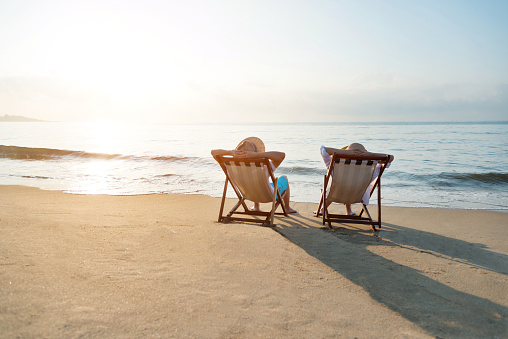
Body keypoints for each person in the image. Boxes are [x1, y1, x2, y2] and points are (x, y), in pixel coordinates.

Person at [211, 137, 297, 213]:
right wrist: (257, 155)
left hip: (248, 194)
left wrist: (230, 152)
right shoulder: (264, 167)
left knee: (252, 181)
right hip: (268, 195)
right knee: (284, 178)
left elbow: (213, 152)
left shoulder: (229, 166)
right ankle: (287, 208)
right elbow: (281, 155)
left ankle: (256, 207)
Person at [320, 143, 394, 216]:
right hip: (358, 196)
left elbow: (323, 150)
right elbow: (390, 157)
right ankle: (348, 211)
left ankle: (323, 208)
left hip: (334, 194)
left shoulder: (335, 163)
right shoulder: (373, 168)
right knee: (350, 186)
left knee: (339, 186)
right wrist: (368, 154)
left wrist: (347, 153)